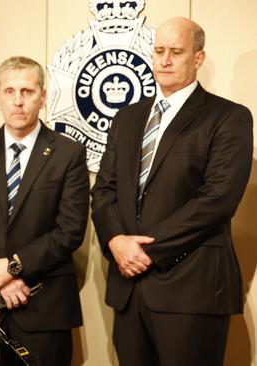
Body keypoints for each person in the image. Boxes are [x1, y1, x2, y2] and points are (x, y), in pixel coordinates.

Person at [91, 17, 253, 366]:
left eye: (176, 52)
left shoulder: (229, 118)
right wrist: (117, 242)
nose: (164, 60)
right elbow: (103, 191)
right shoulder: (127, 118)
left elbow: (217, 200)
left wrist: (147, 251)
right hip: (128, 292)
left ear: (197, 58)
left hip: (191, 291)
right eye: (159, 50)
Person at [0, 56, 90, 365]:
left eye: (27, 91)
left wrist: (13, 268)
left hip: (44, 304)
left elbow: (70, 230)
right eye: (9, 91)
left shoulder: (68, 153)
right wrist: (0, 277)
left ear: (43, 97)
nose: (18, 101)